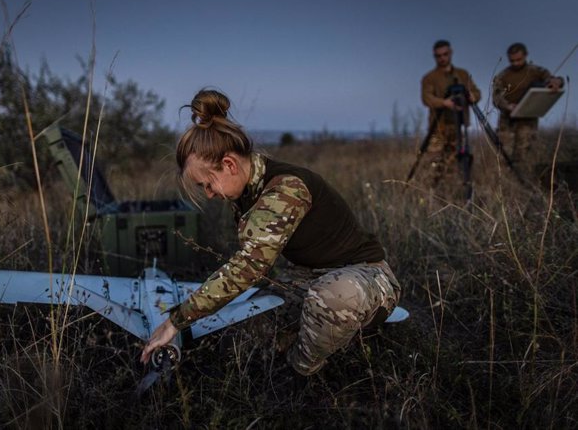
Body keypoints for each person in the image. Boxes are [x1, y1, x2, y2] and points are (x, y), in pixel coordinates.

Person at [140, 89, 401, 376]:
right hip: (307, 279)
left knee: (334, 298)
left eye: (208, 184)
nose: (210, 194)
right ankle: (314, 340)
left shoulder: (285, 190)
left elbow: (248, 267)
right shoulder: (249, 189)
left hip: (365, 277)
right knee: (245, 332)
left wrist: (176, 320)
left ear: (228, 164)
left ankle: (302, 374)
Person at [492, 42, 564, 173]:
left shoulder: (536, 71)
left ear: (525, 56)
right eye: (512, 60)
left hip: (528, 119)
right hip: (507, 120)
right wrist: (507, 106)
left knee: (524, 154)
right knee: (504, 155)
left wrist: (557, 82)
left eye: (519, 60)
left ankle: (525, 183)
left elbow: (553, 79)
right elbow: (496, 98)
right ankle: (506, 185)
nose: (516, 63)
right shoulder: (502, 76)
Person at [420, 40, 481, 192]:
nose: (442, 58)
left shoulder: (462, 74)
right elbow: (427, 98)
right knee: (435, 162)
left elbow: (476, 93)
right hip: (437, 127)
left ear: (450, 53)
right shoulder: (430, 78)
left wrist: (471, 96)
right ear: (435, 56)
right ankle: (433, 193)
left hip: (458, 125)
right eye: (438, 56)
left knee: (455, 162)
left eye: (445, 54)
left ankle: (453, 191)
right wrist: (444, 102)